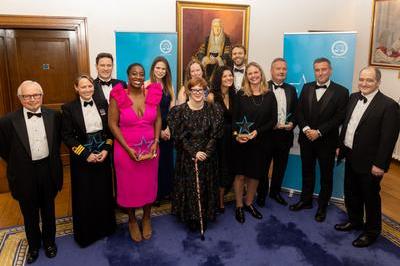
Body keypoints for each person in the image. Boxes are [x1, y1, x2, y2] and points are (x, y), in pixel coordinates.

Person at [335, 67, 400, 247]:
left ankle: (371, 232)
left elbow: (388, 139)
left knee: (370, 197)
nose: (364, 83)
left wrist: (380, 164)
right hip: (350, 155)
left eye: (369, 80)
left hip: (370, 162)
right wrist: (341, 147)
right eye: (362, 79)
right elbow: (348, 125)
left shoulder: (389, 106)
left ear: (378, 82)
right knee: (351, 192)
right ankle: (355, 221)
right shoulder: (354, 97)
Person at [0, 81, 62, 263]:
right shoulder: (6, 122)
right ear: (20, 98)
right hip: (23, 173)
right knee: (29, 214)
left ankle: (50, 243)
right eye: (27, 96)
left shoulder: (55, 116)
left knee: (49, 210)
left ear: (42, 96)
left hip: (48, 170)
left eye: (36, 95)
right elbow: (4, 150)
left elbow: (56, 143)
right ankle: (34, 246)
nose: (32, 99)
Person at [290, 57, 349, 223]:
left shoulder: (342, 91)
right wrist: (307, 129)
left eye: (324, 69)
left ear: (330, 70)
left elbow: (340, 117)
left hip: (327, 141)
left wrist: (320, 132)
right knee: (307, 172)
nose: (320, 73)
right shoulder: (307, 87)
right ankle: (306, 200)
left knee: (326, 175)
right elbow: (299, 111)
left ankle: (323, 206)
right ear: (314, 71)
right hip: (306, 139)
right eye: (317, 70)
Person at [108, 63, 162, 243]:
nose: (138, 77)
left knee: (148, 184)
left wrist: (156, 141)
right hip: (125, 151)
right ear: (128, 75)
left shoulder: (153, 93)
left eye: (141, 74)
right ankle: (131, 220)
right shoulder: (118, 95)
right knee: (128, 186)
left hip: (150, 149)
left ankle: (147, 217)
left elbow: (159, 119)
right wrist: (127, 148)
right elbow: (112, 124)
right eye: (134, 74)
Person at [61, 75, 116, 247]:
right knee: (85, 195)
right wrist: (86, 154)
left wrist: (106, 150)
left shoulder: (102, 104)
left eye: (90, 86)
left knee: (104, 192)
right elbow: (67, 136)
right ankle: (87, 234)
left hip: (102, 157)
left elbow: (110, 130)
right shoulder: (68, 108)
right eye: (83, 87)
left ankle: (106, 228)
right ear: (76, 88)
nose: (87, 90)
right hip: (82, 159)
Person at [167, 77, 223, 232]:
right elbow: (179, 137)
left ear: (205, 91)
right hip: (187, 156)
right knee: (189, 186)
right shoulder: (179, 112)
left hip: (207, 156)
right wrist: (193, 152)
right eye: (194, 90)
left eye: (201, 90)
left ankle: (204, 215)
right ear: (188, 91)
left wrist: (205, 152)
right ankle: (191, 217)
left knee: (206, 185)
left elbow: (215, 135)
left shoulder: (214, 109)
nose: (198, 93)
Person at [232, 62, 277, 224]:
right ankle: (238, 205)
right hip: (242, 142)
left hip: (261, 142)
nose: (253, 76)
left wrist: (257, 132)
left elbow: (273, 120)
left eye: (256, 72)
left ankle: (249, 203)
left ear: (261, 73)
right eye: (250, 73)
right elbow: (234, 118)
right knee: (240, 175)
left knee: (255, 175)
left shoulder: (270, 95)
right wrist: (237, 135)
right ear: (246, 76)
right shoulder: (240, 95)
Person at [256, 58, 298, 207]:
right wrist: (268, 126)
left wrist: (292, 123)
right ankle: (261, 194)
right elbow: (258, 113)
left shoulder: (291, 89)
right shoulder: (262, 87)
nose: (281, 71)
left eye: (284, 69)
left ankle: (275, 192)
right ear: (271, 71)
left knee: (280, 167)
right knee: (263, 167)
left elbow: (296, 111)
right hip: (266, 136)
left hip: (284, 136)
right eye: (278, 68)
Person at [145, 56, 175, 202]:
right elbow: (145, 112)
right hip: (152, 129)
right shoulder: (146, 85)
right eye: (158, 67)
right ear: (152, 69)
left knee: (166, 161)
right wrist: (159, 131)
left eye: (163, 68)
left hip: (167, 129)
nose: (160, 71)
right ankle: (155, 194)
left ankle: (166, 191)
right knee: (154, 164)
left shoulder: (169, 86)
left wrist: (168, 128)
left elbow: (172, 110)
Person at [207, 66, 236, 213]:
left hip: (232, 138)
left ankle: (222, 197)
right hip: (218, 138)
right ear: (219, 78)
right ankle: (218, 201)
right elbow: (207, 120)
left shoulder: (234, 94)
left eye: (230, 75)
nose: (228, 78)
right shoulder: (212, 96)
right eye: (225, 76)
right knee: (219, 168)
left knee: (228, 167)